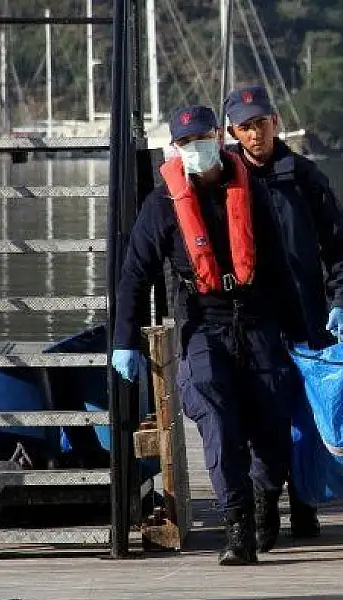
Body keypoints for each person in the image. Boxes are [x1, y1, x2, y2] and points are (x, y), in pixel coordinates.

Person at [110, 105, 305, 566]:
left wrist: (301, 334)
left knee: (273, 423)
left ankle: (263, 498)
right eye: (184, 143)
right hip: (203, 324)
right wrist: (123, 340)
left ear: (217, 138)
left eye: (201, 139)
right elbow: (135, 275)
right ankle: (238, 525)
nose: (194, 149)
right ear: (175, 150)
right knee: (217, 421)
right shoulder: (161, 205)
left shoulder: (251, 191)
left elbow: (279, 266)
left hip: (258, 320)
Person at [223, 84, 343, 550]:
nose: (255, 133)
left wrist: (341, 300)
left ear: (275, 122)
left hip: (307, 316)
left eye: (261, 122)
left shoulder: (305, 177)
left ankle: (305, 503)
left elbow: (341, 245)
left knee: (309, 417)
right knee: (261, 417)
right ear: (231, 132)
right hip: (249, 321)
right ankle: (263, 511)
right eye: (245, 126)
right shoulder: (222, 178)